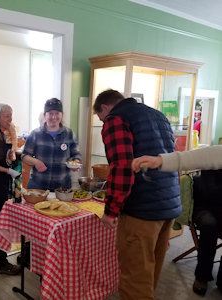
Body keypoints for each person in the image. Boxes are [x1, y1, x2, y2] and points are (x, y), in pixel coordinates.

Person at [93, 89, 181, 300]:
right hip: (168, 205)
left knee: (135, 281)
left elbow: (122, 167)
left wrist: (111, 211)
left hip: (141, 210)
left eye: (100, 118)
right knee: (150, 273)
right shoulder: (157, 115)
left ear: (105, 108)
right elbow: (172, 160)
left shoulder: (115, 119)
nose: (103, 122)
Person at [132, 146, 222, 296]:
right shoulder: (216, 154)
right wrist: (161, 160)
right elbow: (199, 156)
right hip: (206, 205)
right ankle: (202, 276)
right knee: (209, 225)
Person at [0, 103, 21, 275]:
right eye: (7, 116)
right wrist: (8, 170)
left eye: (11, 115)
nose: (10, 119)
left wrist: (10, 156)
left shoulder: (1, 132)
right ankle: (1, 262)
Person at [22, 98, 81, 191]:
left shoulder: (69, 134)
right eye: (50, 113)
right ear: (45, 115)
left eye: (57, 113)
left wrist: (76, 162)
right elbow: (24, 155)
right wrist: (36, 162)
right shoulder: (35, 134)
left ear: (62, 115)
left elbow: (76, 154)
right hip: (38, 185)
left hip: (63, 187)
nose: (54, 117)